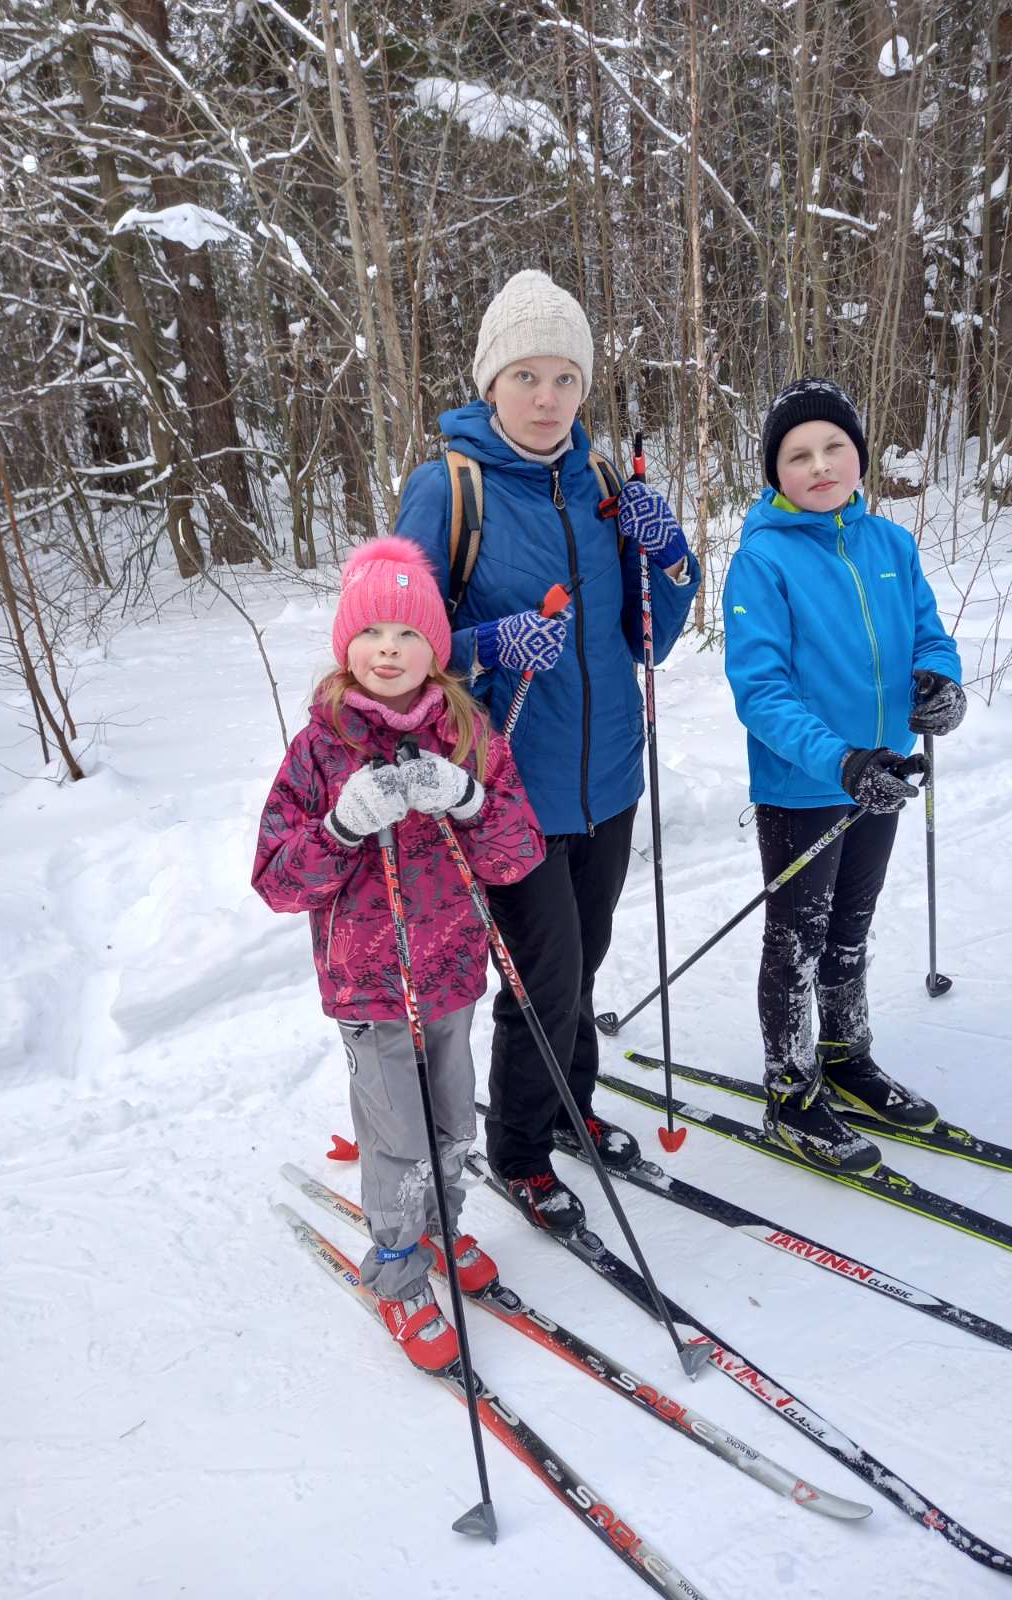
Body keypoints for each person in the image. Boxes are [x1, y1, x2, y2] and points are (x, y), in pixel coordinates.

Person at [397, 270, 700, 1232]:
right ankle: (523, 1150)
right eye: (525, 374)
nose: (546, 397)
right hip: (507, 792)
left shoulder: (607, 485)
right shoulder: (450, 490)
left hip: (608, 777)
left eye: (565, 376)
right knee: (542, 978)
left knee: (587, 958)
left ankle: (570, 1105)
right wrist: (488, 647)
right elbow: (394, 649)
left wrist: (670, 557)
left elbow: (651, 636)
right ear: (491, 383)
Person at [252, 537, 544, 1370]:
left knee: (454, 1121)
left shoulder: (467, 731)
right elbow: (276, 879)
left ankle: (443, 1228)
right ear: (348, 644)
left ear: (436, 649)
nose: (389, 647)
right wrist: (340, 825)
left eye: (409, 632)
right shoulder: (319, 748)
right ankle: (398, 1263)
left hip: (451, 971)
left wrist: (471, 798)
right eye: (373, 630)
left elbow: (516, 854)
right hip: (370, 986)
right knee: (398, 1137)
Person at [722, 378, 966, 1175]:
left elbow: (929, 633)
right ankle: (791, 1091)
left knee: (851, 932)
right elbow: (760, 691)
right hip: (805, 785)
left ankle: (846, 1056)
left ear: (859, 455)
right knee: (799, 939)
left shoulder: (891, 544)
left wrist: (938, 681)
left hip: (885, 773)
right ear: (774, 470)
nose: (819, 466)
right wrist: (840, 759)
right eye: (798, 455)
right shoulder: (762, 559)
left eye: (833, 448)